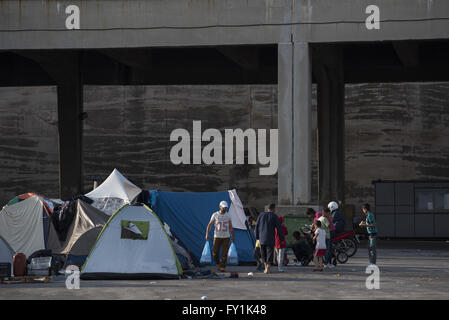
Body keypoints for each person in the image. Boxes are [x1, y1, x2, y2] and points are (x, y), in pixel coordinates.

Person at [205, 201, 235, 272]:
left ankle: (223, 266)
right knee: (215, 252)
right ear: (220, 206)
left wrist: (232, 236)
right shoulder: (215, 215)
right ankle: (217, 263)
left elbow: (231, 226)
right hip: (217, 236)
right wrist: (207, 234)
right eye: (223, 207)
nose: (224, 208)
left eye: (225, 207)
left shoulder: (228, 215)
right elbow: (209, 225)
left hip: (226, 237)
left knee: (224, 253)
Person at [255, 203, 284, 274]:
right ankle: (267, 268)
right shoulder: (274, 216)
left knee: (263, 253)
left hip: (262, 238)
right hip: (270, 238)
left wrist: (257, 236)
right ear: (273, 209)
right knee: (270, 254)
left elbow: (257, 226)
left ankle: (266, 268)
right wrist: (281, 239)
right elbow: (279, 228)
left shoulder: (261, 215)